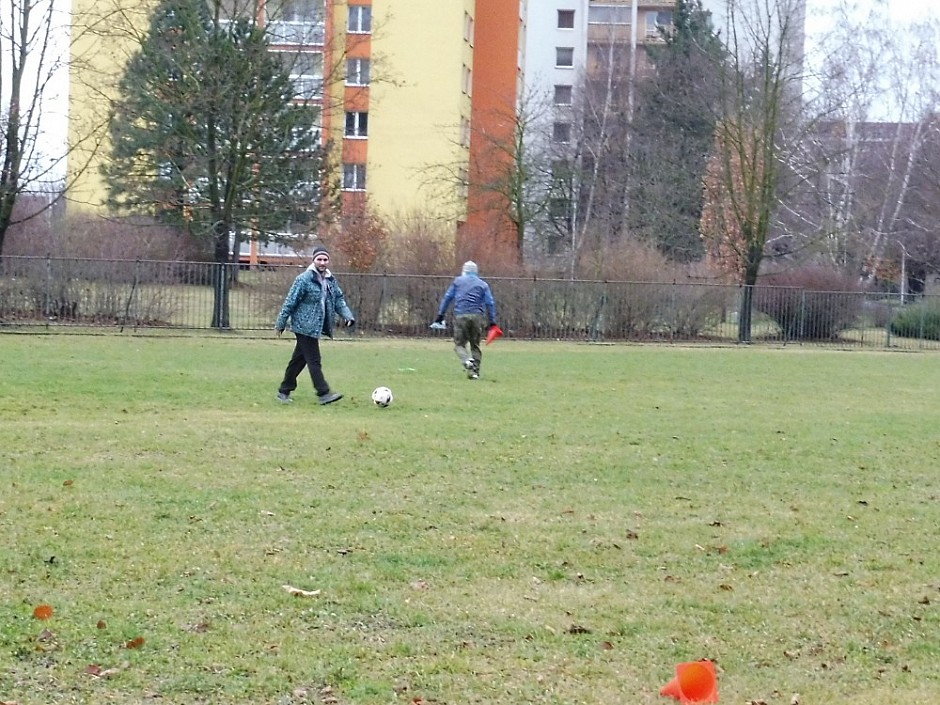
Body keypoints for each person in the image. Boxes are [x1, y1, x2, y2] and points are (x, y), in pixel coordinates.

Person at [275, 245, 355, 405]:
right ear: (313, 261)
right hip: (303, 326)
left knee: (299, 359)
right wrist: (281, 322)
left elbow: (338, 299)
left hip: (315, 327)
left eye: (325, 259)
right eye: (319, 259)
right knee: (314, 359)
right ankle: (323, 393)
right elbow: (290, 302)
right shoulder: (303, 279)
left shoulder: (330, 280)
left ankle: (284, 390)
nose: (322, 262)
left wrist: (347, 315)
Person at [432, 260, 498, 380]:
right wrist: (492, 321)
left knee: (459, 345)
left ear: (464, 271)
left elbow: (448, 297)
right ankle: (475, 373)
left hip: (461, 315)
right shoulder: (483, 284)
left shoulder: (457, 282)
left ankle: (467, 361)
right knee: (475, 346)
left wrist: (440, 315)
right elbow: (490, 302)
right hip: (477, 316)